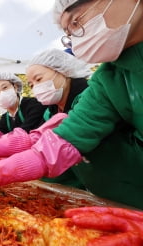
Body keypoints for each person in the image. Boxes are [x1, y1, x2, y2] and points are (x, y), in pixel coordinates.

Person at [0, 0, 143, 210]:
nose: (75, 37)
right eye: (69, 32)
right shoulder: (108, 79)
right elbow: (58, 142)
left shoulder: (78, 94)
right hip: (124, 205)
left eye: (75, 21)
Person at [27, 48, 91, 188]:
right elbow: (37, 141)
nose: (35, 88)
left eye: (38, 79)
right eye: (31, 85)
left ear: (63, 71)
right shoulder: (50, 112)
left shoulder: (88, 98)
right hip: (77, 185)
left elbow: (55, 149)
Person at [0, 72, 47, 140]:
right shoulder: (6, 118)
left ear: (15, 87)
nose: (2, 93)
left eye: (5, 87)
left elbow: (24, 133)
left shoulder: (35, 104)